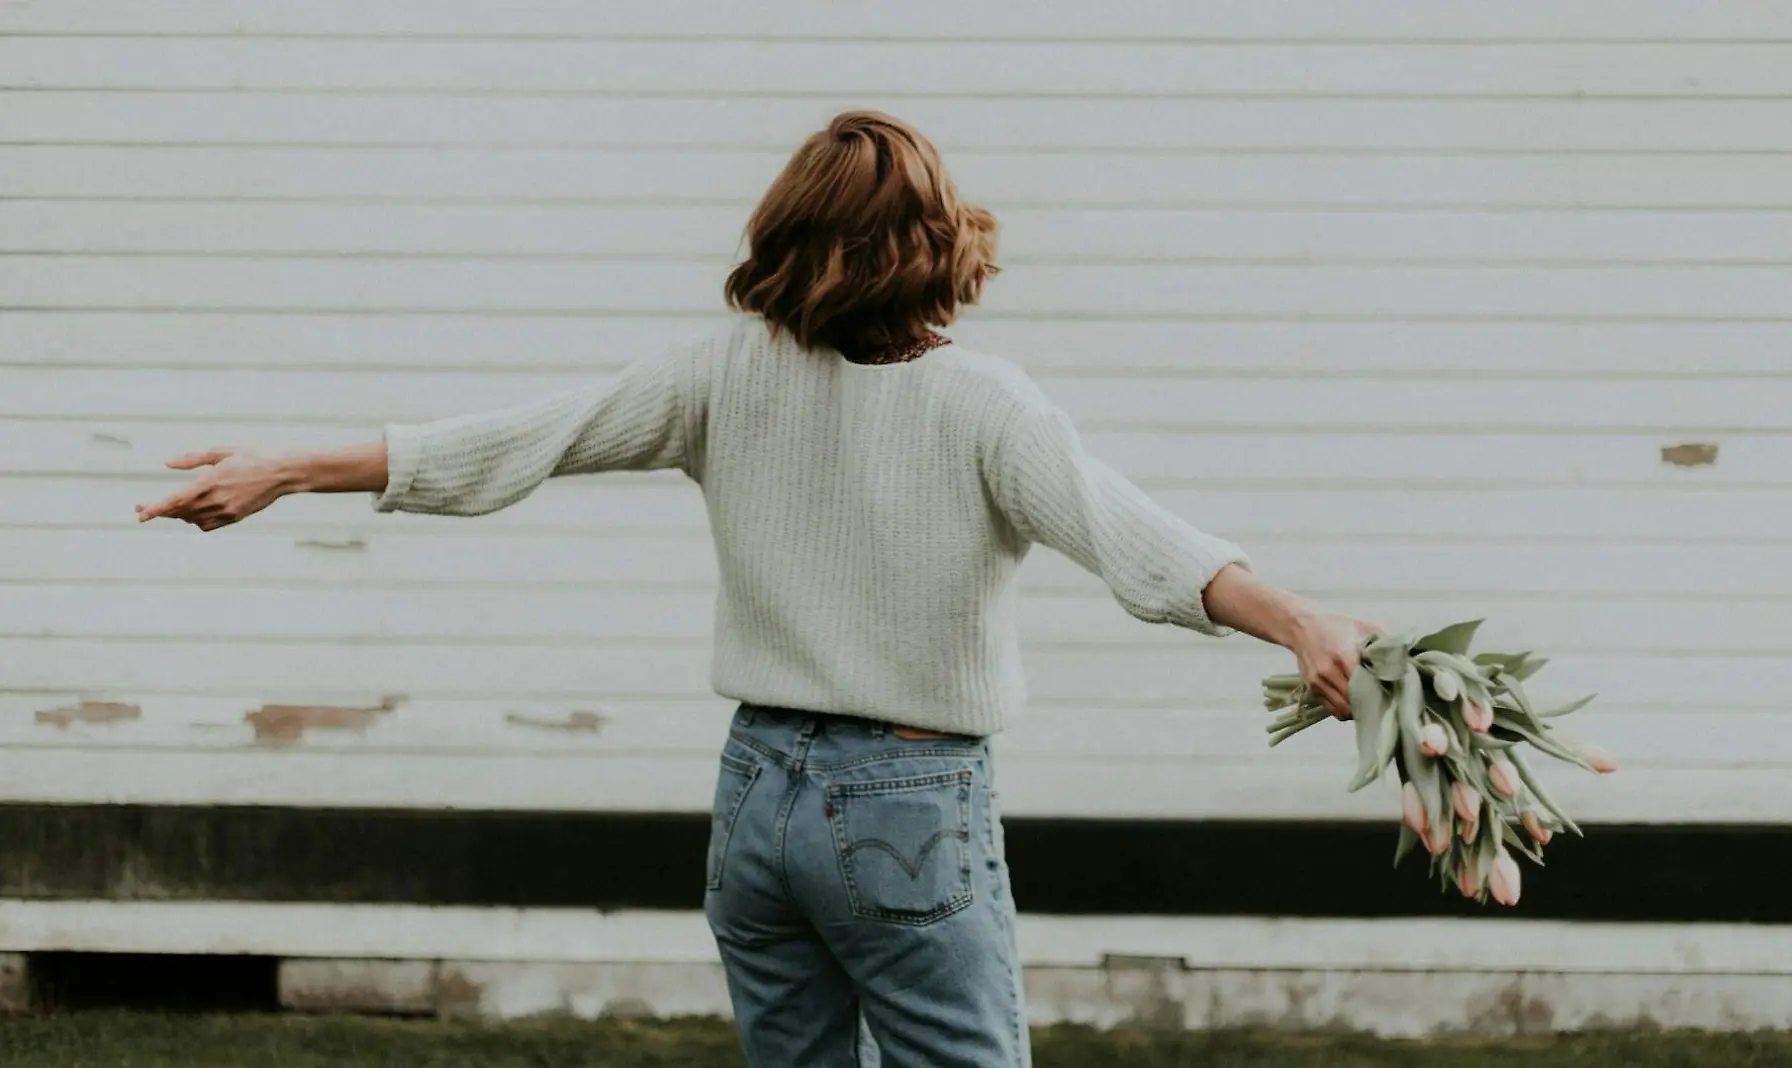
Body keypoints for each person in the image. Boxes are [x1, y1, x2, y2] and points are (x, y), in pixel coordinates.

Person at [135, 110, 1376, 1067]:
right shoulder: (984, 405)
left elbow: (518, 441)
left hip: (755, 802)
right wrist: (1300, 619)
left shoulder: (724, 373)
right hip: (905, 804)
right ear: (940, 242)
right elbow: (1145, 547)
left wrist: (289, 468)